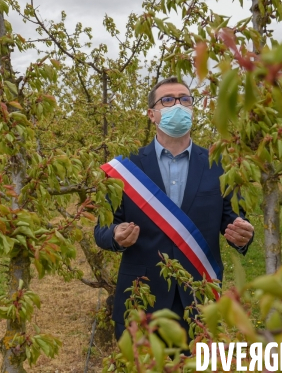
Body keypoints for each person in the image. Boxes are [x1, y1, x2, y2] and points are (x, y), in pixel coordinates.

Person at [94, 77, 254, 340]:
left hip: (200, 299)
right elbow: (101, 229)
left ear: (192, 109)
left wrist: (243, 235)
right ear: (152, 114)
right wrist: (114, 235)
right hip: (141, 299)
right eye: (167, 100)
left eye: (185, 99)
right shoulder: (126, 167)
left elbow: (235, 220)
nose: (177, 105)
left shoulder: (220, 166)